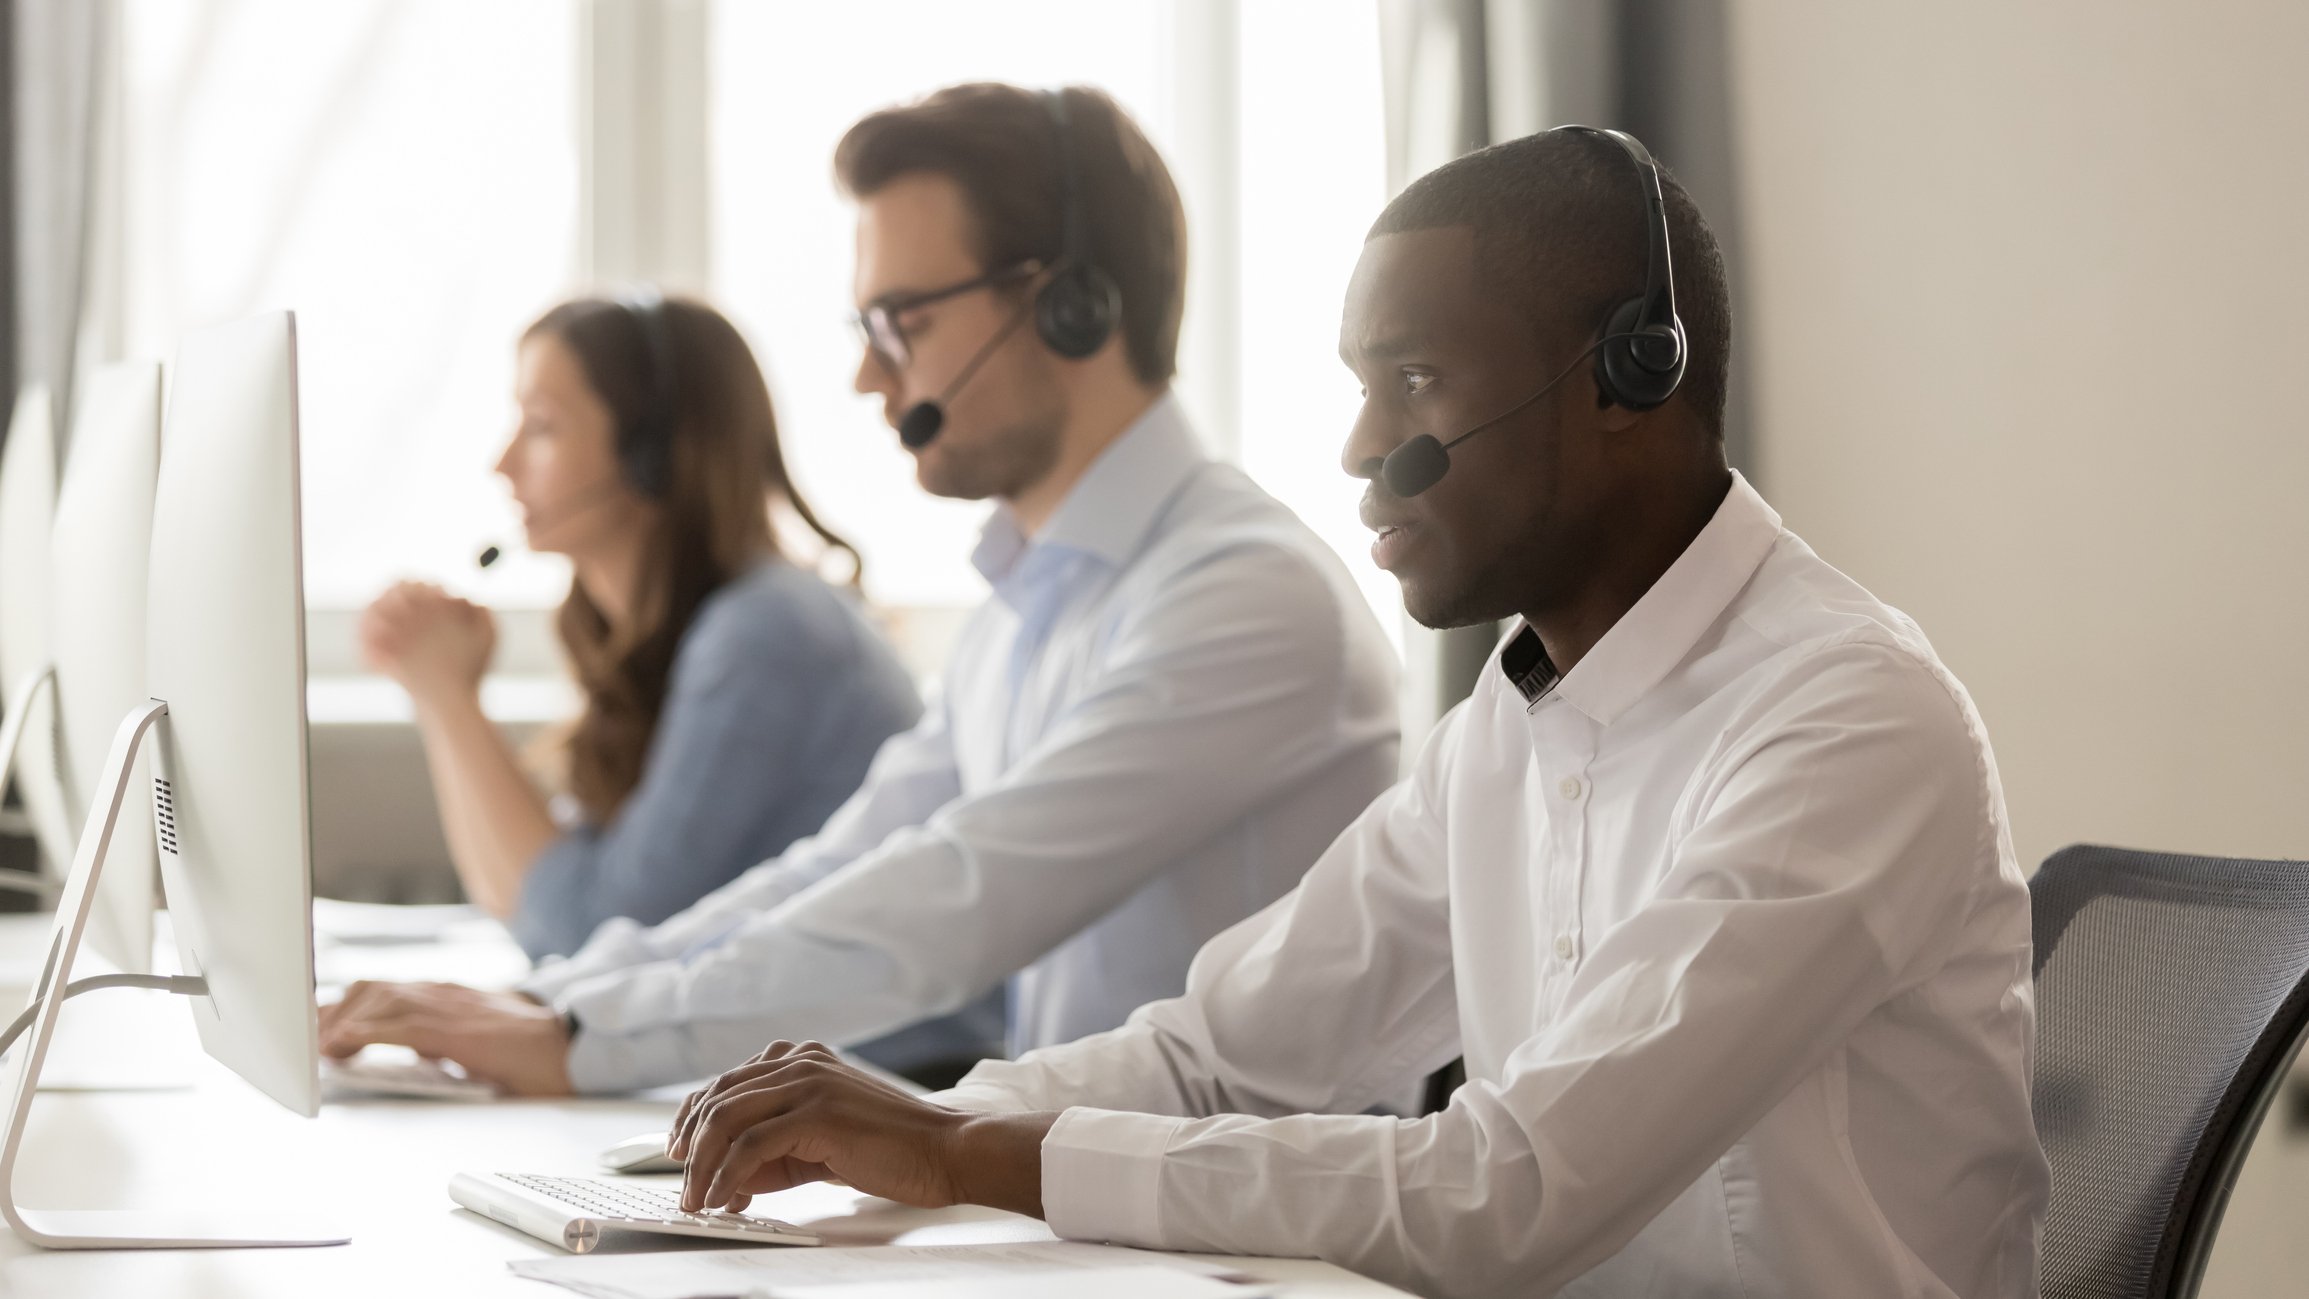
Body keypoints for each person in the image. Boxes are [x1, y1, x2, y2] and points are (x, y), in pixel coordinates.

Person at [655, 128, 2051, 1298]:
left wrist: (965, 1157)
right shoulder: (1510, 729)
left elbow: (1508, 1193)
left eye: (1416, 379)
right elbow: (1219, 1056)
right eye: (1359, 386)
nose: (1362, 448)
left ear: (1636, 374)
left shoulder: (1843, 721)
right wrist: (911, 1120)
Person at [319, 84, 1401, 1096]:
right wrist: (549, 1006)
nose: (869, 378)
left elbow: (953, 901)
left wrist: (577, 1040)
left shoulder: (1245, 597)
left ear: (1071, 307)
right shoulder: (1022, 614)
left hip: (1237, 1253)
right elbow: (840, 869)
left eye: (906, 323)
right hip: (1078, 1204)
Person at [357, 294, 921, 962]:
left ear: (653, 453)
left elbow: (587, 933)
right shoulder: (677, 629)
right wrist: (437, 693)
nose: (502, 463)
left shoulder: (763, 634)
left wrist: (449, 700)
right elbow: (518, 897)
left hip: (879, 1061)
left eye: (541, 425)